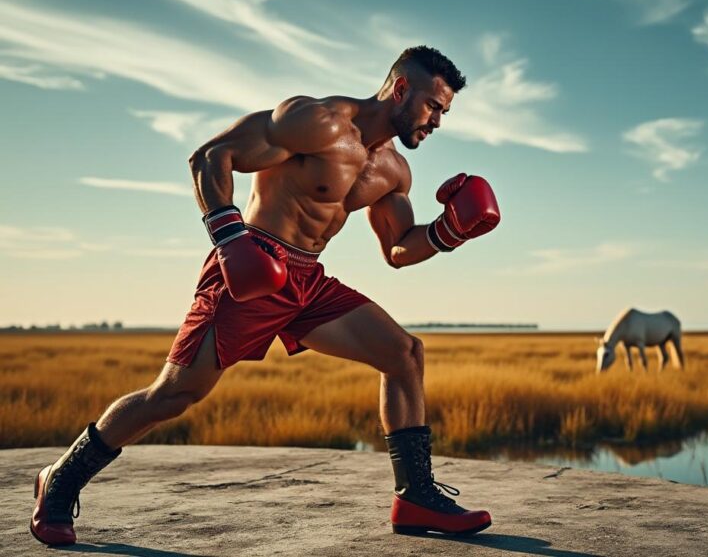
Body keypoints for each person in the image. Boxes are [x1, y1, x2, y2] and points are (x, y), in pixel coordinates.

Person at [31, 45, 499, 545]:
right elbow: (212, 156)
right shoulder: (317, 121)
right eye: (433, 106)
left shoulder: (394, 171)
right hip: (250, 263)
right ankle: (59, 481)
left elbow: (399, 249)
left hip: (307, 281)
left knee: (404, 354)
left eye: (444, 112)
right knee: (172, 396)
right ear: (401, 89)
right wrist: (231, 240)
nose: (437, 121)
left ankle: (415, 497)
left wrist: (450, 231)